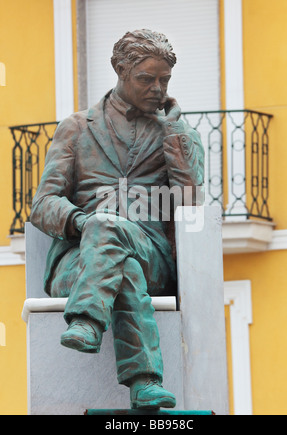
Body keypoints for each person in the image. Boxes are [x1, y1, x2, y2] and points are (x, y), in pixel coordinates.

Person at [30, 29, 204, 410]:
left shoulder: (171, 134)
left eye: (165, 80)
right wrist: (82, 222)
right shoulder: (76, 128)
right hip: (77, 261)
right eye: (146, 78)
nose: (158, 88)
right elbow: (42, 204)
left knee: (115, 234)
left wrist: (177, 132)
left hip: (151, 255)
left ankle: (88, 321)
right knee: (117, 252)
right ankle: (143, 382)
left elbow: (191, 200)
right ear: (119, 70)